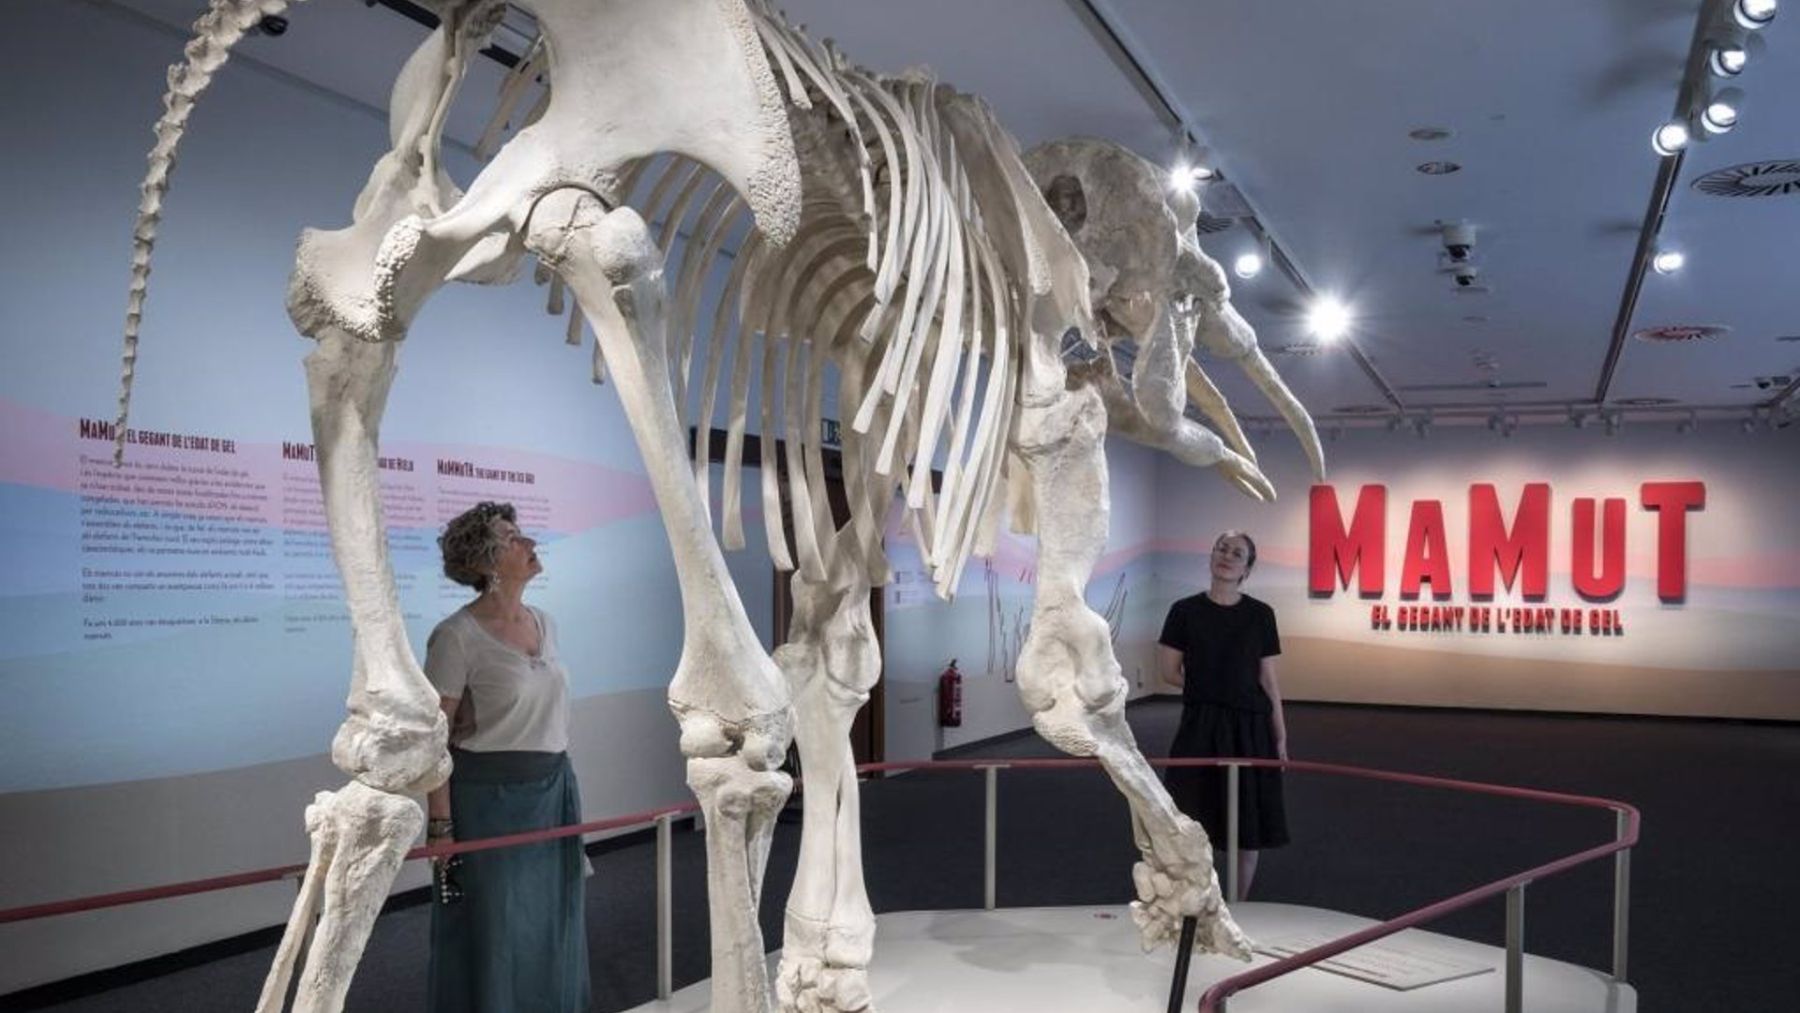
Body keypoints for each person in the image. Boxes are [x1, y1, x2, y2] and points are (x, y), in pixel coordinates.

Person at [424, 501, 591, 1013]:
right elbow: (434, 741)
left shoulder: (545, 622)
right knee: (496, 927)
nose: (529, 543)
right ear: (487, 561)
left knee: (553, 920)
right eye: (514, 538)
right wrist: (441, 829)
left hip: (553, 789)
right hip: (489, 802)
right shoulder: (456, 637)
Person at [1157, 530, 1289, 898]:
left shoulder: (1261, 615)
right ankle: (1199, 898)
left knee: (1248, 818)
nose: (1227, 556)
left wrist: (1279, 735)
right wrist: (1209, 690)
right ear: (1212, 555)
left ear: (1247, 567)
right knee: (1191, 812)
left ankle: (1238, 903)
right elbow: (1168, 671)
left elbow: (1268, 680)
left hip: (1251, 729)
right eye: (1222, 548)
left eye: (1238, 553)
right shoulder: (1184, 612)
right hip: (1201, 727)